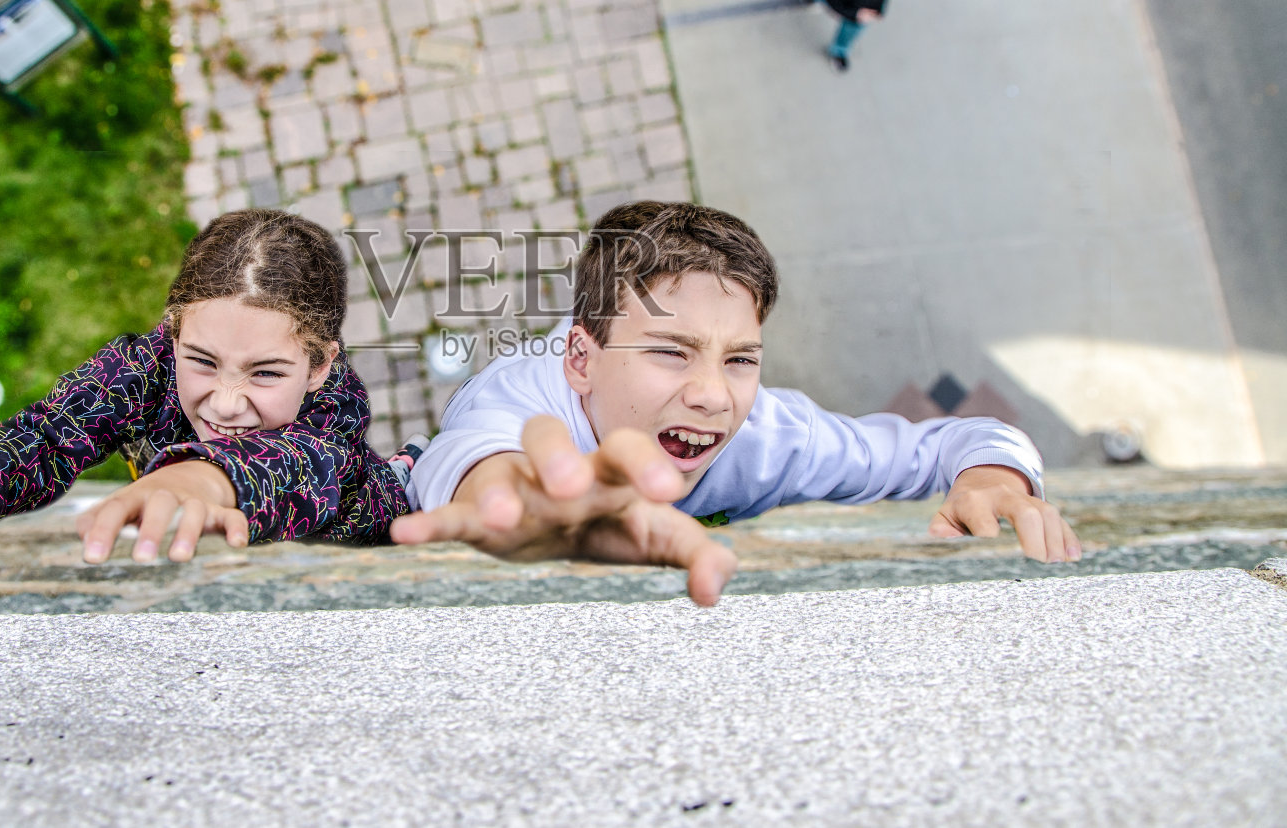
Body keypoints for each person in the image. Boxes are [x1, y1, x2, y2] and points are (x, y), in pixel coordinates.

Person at [391, 201, 1079, 606]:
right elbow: (471, 460)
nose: (714, 396)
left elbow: (964, 440)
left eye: (741, 359)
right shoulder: (515, 398)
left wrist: (996, 483)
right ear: (580, 359)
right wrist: (524, 510)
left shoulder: (773, 434)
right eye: (670, 351)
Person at [0, 209, 408, 562]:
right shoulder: (142, 370)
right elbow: (48, 434)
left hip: (359, 547)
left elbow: (291, 465)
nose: (225, 402)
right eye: (202, 361)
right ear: (175, 330)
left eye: (265, 373)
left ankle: (410, 468)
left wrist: (195, 482)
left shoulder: (334, 413)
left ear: (318, 366)